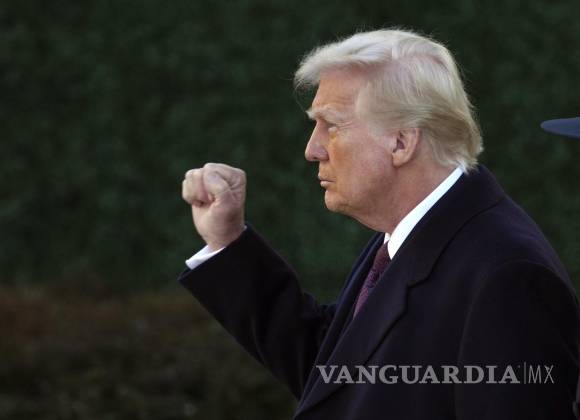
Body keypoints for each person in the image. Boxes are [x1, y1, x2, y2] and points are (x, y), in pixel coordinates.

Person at [179, 29, 580, 419]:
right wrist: (228, 241)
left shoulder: (508, 275)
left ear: (402, 142)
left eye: (331, 125)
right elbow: (339, 376)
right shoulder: (414, 229)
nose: (312, 149)